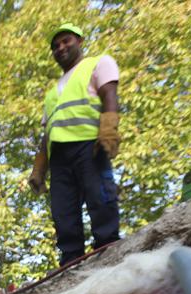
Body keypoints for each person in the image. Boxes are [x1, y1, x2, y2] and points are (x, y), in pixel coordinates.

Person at [27, 23, 121, 267]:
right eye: (55, 46)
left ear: (79, 41)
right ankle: (71, 261)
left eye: (66, 41)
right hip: (59, 156)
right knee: (63, 211)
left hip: (89, 144)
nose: (60, 47)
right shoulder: (52, 93)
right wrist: (39, 168)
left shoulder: (98, 63)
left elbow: (109, 95)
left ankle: (107, 246)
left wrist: (108, 129)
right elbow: (48, 132)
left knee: (99, 197)